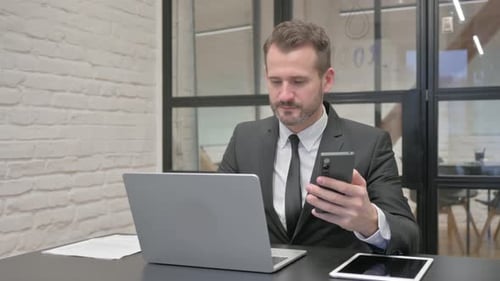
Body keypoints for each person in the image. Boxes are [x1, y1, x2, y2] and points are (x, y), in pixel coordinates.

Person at [218, 20, 419, 255]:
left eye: (298, 82)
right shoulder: (244, 137)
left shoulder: (371, 144)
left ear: (327, 79)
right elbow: (218, 213)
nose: (284, 95)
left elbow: (409, 236)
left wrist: (370, 221)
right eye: (275, 81)